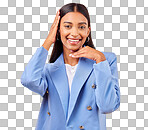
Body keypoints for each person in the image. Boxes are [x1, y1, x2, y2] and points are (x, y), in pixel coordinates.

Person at [20, 3, 120, 130]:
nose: (74, 33)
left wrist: (99, 59)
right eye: (68, 26)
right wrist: (48, 41)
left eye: (81, 27)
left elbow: (108, 106)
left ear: (88, 31)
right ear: (58, 30)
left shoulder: (105, 61)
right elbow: (28, 80)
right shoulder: (49, 70)